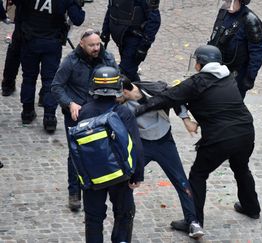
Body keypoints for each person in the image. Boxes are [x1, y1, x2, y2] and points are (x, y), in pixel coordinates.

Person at [135, 45, 261, 229]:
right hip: (245, 132)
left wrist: (140, 108)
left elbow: (167, 97)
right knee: (241, 168)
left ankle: (193, 221)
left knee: (198, 175)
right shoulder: (228, 77)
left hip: (220, 137)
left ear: (199, 64)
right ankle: (252, 207)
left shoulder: (196, 83)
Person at [120, 78, 205, 239]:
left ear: (125, 91)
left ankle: (193, 222)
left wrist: (186, 120)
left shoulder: (153, 89)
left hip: (164, 142)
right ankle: (125, 217)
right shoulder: (119, 104)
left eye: (117, 96)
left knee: (181, 181)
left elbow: (176, 97)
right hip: (142, 145)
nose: (115, 99)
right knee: (127, 180)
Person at [51, 29, 118, 212]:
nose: (96, 48)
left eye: (98, 44)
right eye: (92, 45)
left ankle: (101, 184)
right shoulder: (71, 61)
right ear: (82, 44)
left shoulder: (108, 58)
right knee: (76, 153)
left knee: (104, 148)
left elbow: (117, 81)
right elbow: (56, 86)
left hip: (100, 113)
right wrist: (69, 103)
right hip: (77, 115)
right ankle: (74, 192)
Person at [77, 66, 145, 242]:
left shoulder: (85, 111)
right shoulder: (123, 112)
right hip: (120, 175)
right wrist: (137, 175)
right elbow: (135, 145)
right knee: (124, 214)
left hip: (93, 176)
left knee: (93, 218)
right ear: (118, 88)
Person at [18, 0, 85, 132]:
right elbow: (78, 19)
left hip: (30, 39)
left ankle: (27, 112)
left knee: (28, 77)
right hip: (51, 42)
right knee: (50, 81)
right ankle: (49, 117)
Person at [208, 0, 262, 98]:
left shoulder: (250, 20)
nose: (228, 5)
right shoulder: (223, 12)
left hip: (236, 75)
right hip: (218, 70)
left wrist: (249, 77)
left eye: (231, 1)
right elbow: (215, 37)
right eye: (227, 1)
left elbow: (258, 52)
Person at [101, 0, 161, 82]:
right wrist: (105, 30)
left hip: (135, 41)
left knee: (125, 72)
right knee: (130, 73)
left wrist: (143, 47)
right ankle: (140, 92)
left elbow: (154, 21)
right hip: (121, 39)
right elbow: (111, 9)